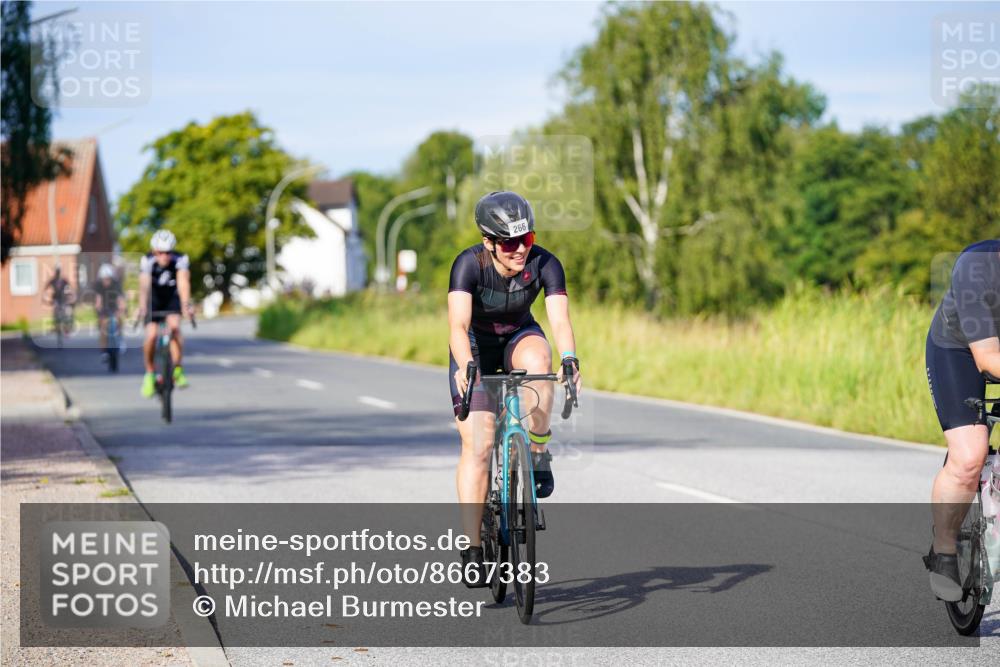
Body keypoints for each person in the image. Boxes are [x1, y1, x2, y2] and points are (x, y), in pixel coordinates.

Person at [448, 191, 582, 587]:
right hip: (474, 347)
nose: (520, 250)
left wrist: (570, 357)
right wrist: (466, 365)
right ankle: (473, 547)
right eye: (509, 243)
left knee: (541, 365)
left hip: (519, 336)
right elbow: (457, 324)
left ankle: (537, 451)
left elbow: (559, 320)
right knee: (480, 446)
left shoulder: (545, 263)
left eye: (527, 239)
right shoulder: (468, 265)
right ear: (489, 242)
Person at [924, 239, 1000, 601]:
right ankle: (945, 551)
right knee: (970, 456)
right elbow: (987, 359)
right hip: (959, 351)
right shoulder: (976, 267)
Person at [137, 230, 193, 397]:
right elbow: (144, 286)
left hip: (171, 298)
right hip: (154, 299)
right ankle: (149, 373)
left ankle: (177, 369)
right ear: (154, 251)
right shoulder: (147, 261)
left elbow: (183, 283)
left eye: (168, 252)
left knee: (175, 327)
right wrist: (141, 306)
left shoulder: (180, 260)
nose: (164, 256)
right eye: (160, 252)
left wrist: (185, 304)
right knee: (152, 335)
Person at [94, 263, 125, 360]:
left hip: (114, 307)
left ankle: (119, 340)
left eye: (108, 279)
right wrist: (99, 310)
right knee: (103, 326)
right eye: (104, 279)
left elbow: (120, 299)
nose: (106, 281)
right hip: (104, 309)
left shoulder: (116, 285)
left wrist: (121, 308)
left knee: (119, 320)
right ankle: (104, 351)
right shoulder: (99, 286)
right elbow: (98, 301)